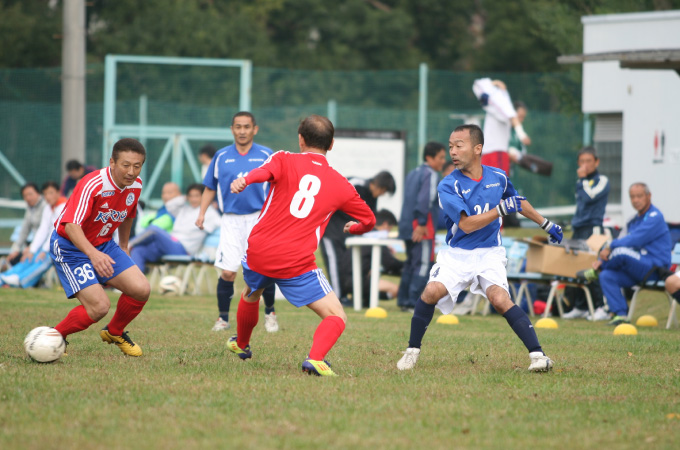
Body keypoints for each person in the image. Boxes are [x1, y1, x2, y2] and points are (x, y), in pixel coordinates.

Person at [396, 124, 562, 372]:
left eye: (458, 145)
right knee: (431, 292)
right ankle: (411, 351)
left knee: (500, 299)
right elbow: (466, 225)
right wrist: (499, 211)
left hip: (490, 254)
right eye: (450, 146)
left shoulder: (498, 177)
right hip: (457, 254)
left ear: (477, 148)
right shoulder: (448, 185)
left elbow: (517, 202)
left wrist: (546, 224)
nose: (452, 151)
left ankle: (539, 356)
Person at [227, 114, 376, 376]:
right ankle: (315, 359)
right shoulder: (341, 184)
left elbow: (263, 172)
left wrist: (246, 180)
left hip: (259, 250)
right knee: (337, 316)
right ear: (331, 145)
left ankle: (241, 344)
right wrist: (356, 228)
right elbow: (369, 220)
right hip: (295, 261)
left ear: (300, 139)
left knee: (251, 292)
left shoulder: (283, 157)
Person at [46, 138, 150, 357]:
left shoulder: (136, 185)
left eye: (137, 166)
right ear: (112, 162)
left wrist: (123, 245)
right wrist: (93, 255)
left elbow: (129, 213)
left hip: (104, 244)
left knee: (141, 290)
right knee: (99, 307)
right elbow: (71, 225)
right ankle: (52, 338)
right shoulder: (93, 184)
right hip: (70, 248)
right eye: (126, 165)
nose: (131, 172)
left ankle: (114, 331)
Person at [196, 111, 279, 333]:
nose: (242, 131)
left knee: (262, 271)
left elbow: (277, 187)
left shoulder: (266, 155)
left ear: (255, 129)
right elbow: (209, 187)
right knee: (228, 272)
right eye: (238, 127)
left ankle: (270, 313)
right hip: (230, 221)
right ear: (232, 129)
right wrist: (202, 213)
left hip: (258, 221)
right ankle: (223, 318)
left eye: (246, 127)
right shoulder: (221, 156)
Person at [577, 183, 672, 325]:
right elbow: (621, 240)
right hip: (636, 268)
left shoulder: (655, 216)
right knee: (607, 276)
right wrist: (605, 253)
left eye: (639, 196)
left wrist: (609, 248)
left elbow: (634, 240)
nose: (635, 200)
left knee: (620, 251)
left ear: (648, 196)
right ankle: (620, 315)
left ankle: (598, 268)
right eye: (632, 197)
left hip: (655, 269)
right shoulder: (633, 220)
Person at [320, 170, 396, 300]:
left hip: (347, 234)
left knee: (343, 266)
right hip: (330, 231)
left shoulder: (372, 198)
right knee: (334, 265)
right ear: (379, 185)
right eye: (384, 191)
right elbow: (328, 197)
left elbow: (368, 221)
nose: (382, 194)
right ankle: (338, 299)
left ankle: (345, 296)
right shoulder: (355, 185)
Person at [396, 141, 447, 312]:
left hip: (406, 226)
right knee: (424, 264)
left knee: (411, 263)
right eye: (440, 157)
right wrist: (422, 223)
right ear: (429, 157)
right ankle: (413, 301)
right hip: (422, 228)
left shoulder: (412, 173)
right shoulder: (431, 174)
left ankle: (403, 300)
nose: (443, 161)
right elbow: (424, 199)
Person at [562, 146, 610, 321]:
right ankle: (581, 306)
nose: (585, 165)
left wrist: (582, 181)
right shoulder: (580, 183)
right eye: (581, 161)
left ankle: (601, 307)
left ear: (596, 162)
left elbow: (591, 197)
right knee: (578, 266)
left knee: (592, 266)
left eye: (588, 161)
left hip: (593, 229)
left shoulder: (602, 180)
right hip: (578, 229)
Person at [130, 184, 221, 273]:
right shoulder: (184, 209)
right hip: (170, 244)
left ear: (203, 196)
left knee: (154, 230)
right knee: (139, 251)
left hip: (183, 249)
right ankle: (133, 285)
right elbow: (169, 205)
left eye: (197, 196)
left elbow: (221, 225)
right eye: (191, 196)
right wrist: (184, 198)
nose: (193, 199)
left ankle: (128, 245)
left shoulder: (210, 213)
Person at [0, 181, 66, 287]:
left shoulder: (63, 206)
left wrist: (44, 250)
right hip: (48, 245)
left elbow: (55, 231)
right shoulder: (49, 208)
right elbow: (43, 230)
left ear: (58, 192)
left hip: (61, 247)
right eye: (46, 194)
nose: (48, 196)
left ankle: (20, 280)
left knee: (44, 258)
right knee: (30, 256)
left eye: (51, 193)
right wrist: (32, 250)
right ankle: (6, 276)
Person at [472, 78, 531, 176]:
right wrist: (522, 135)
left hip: (491, 154)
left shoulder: (496, 105)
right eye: (520, 116)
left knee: (490, 188)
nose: (521, 120)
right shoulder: (500, 104)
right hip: (496, 154)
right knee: (497, 188)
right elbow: (512, 116)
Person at [357, 209, 403, 303]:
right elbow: (389, 263)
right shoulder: (377, 237)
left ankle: (364, 300)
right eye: (390, 228)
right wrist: (409, 265)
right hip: (359, 280)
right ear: (385, 224)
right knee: (397, 290)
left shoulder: (365, 233)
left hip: (349, 277)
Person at [6, 183, 44, 266]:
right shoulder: (30, 208)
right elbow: (24, 231)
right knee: (14, 258)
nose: (28, 198)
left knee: (27, 257)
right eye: (25, 195)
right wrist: (15, 250)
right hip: (35, 243)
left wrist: (32, 248)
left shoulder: (46, 206)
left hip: (44, 244)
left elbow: (44, 232)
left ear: (38, 193)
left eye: (30, 194)